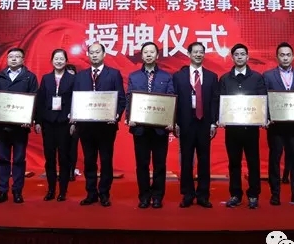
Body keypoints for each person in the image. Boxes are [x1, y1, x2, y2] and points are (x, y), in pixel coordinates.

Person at [72, 43, 126, 207]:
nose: (94, 55)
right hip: (86, 127)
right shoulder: (80, 76)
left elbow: (121, 99)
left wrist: (116, 115)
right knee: (89, 160)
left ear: (104, 54)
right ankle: (91, 193)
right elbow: (75, 99)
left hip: (106, 127)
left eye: (97, 52)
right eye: (91, 52)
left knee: (106, 160)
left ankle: (104, 193)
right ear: (88, 55)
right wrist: (74, 117)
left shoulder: (114, 74)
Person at [0, 47, 38, 204]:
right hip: (2, 125)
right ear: (7, 59)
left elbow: (34, 99)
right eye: (11, 56)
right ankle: (2, 191)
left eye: (17, 56)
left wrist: (30, 118)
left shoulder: (29, 77)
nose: (14, 59)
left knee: (19, 160)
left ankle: (17, 191)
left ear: (23, 59)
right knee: (3, 159)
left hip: (21, 127)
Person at [126, 42, 175, 209]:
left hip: (160, 129)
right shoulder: (134, 76)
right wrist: (129, 117)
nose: (148, 55)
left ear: (157, 55)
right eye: (145, 52)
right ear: (142, 55)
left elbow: (170, 98)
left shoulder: (166, 76)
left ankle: (157, 197)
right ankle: (144, 196)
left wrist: (170, 120)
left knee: (160, 164)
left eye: (152, 52)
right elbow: (129, 98)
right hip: (140, 128)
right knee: (142, 164)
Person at [219, 43, 267, 209]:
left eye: (242, 54)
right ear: (232, 58)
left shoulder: (257, 78)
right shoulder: (225, 79)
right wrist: (220, 117)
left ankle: (253, 195)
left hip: (251, 128)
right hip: (232, 129)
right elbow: (220, 101)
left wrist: (264, 117)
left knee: (253, 162)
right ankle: (235, 194)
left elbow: (262, 99)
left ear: (247, 57)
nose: (239, 57)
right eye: (236, 54)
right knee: (234, 163)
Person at [172, 42, 219, 208]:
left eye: (201, 52)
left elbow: (214, 101)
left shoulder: (212, 76)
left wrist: (213, 122)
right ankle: (187, 194)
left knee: (204, 159)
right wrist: (175, 122)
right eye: (195, 52)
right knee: (186, 159)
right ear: (189, 54)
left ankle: (203, 195)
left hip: (204, 122)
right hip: (186, 122)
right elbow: (174, 100)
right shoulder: (178, 76)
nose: (198, 55)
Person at [264, 42, 294, 206]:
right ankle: (275, 194)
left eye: (288, 55)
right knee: (275, 160)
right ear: (277, 57)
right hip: (275, 126)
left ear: (293, 57)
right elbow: (265, 99)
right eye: (282, 55)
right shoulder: (268, 76)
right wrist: (267, 118)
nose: (285, 58)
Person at [36, 49, 75, 202]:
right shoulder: (46, 78)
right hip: (48, 123)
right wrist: (38, 121)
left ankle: (63, 191)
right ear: (52, 61)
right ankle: (51, 189)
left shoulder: (73, 79)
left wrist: (74, 120)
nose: (59, 61)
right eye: (56, 58)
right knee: (50, 158)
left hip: (65, 122)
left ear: (66, 61)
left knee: (64, 158)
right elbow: (41, 101)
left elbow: (76, 100)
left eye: (61, 59)